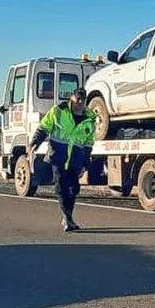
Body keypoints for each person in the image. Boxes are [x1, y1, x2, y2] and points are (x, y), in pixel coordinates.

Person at [27, 87, 97, 232]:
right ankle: (67, 218)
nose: (80, 103)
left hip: (75, 158)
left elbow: (89, 142)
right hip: (58, 156)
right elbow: (44, 128)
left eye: (83, 100)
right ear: (71, 98)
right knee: (61, 187)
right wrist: (34, 143)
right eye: (77, 99)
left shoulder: (90, 118)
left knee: (74, 189)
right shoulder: (58, 111)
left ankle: (68, 215)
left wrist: (85, 162)